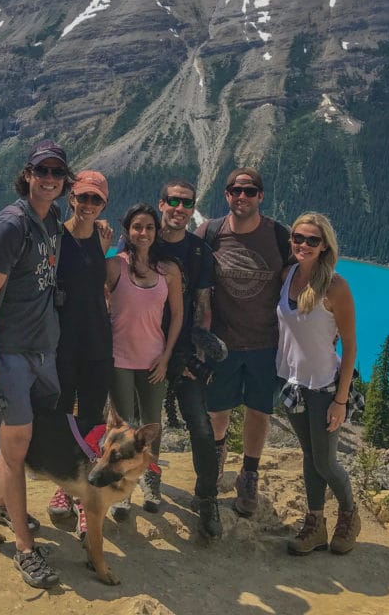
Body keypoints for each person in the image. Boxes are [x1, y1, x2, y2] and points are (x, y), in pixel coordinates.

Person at [0, 139, 70, 589]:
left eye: (57, 173)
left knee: (25, 441)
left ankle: (3, 509)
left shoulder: (50, 221)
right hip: (10, 354)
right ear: (27, 174)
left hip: (40, 351)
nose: (50, 179)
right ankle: (26, 548)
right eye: (42, 171)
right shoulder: (11, 226)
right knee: (15, 447)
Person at [195, 167, 290, 517]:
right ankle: (217, 463)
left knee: (259, 411)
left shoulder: (280, 236)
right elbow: (188, 272)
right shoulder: (211, 232)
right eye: (236, 191)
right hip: (222, 343)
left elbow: (304, 280)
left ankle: (249, 473)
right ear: (227, 195)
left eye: (250, 192)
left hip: (267, 343)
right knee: (217, 410)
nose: (242, 197)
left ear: (261, 196)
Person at [277, 212, 360, 556]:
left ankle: (349, 514)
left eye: (312, 240)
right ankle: (315, 525)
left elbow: (351, 345)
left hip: (324, 386)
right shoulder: (289, 275)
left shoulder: (335, 286)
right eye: (298, 238)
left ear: (325, 245)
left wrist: (341, 400)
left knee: (326, 462)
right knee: (310, 456)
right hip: (292, 383)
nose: (304, 245)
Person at [105, 203, 183, 521]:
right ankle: (121, 487)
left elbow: (177, 315)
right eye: (137, 227)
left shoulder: (169, 271)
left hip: (153, 359)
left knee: (151, 427)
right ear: (128, 230)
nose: (144, 233)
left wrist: (166, 357)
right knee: (122, 428)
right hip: (119, 358)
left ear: (156, 231)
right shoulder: (114, 266)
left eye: (149, 227)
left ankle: (151, 481)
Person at [46, 170, 114, 530]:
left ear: (104, 203)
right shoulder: (55, 237)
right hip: (62, 345)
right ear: (71, 198)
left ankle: (87, 495)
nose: (88, 205)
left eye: (96, 199)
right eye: (82, 198)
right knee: (61, 418)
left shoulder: (102, 239)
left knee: (93, 421)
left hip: (98, 344)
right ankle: (63, 487)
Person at [155, 178, 223, 539]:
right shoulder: (142, 241)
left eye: (186, 203)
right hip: (146, 351)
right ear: (161, 203)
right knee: (144, 422)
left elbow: (204, 307)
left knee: (200, 424)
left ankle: (207, 497)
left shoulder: (199, 253)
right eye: (173, 201)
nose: (179, 209)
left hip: (184, 353)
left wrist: (196, 354)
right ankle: (148, 480)